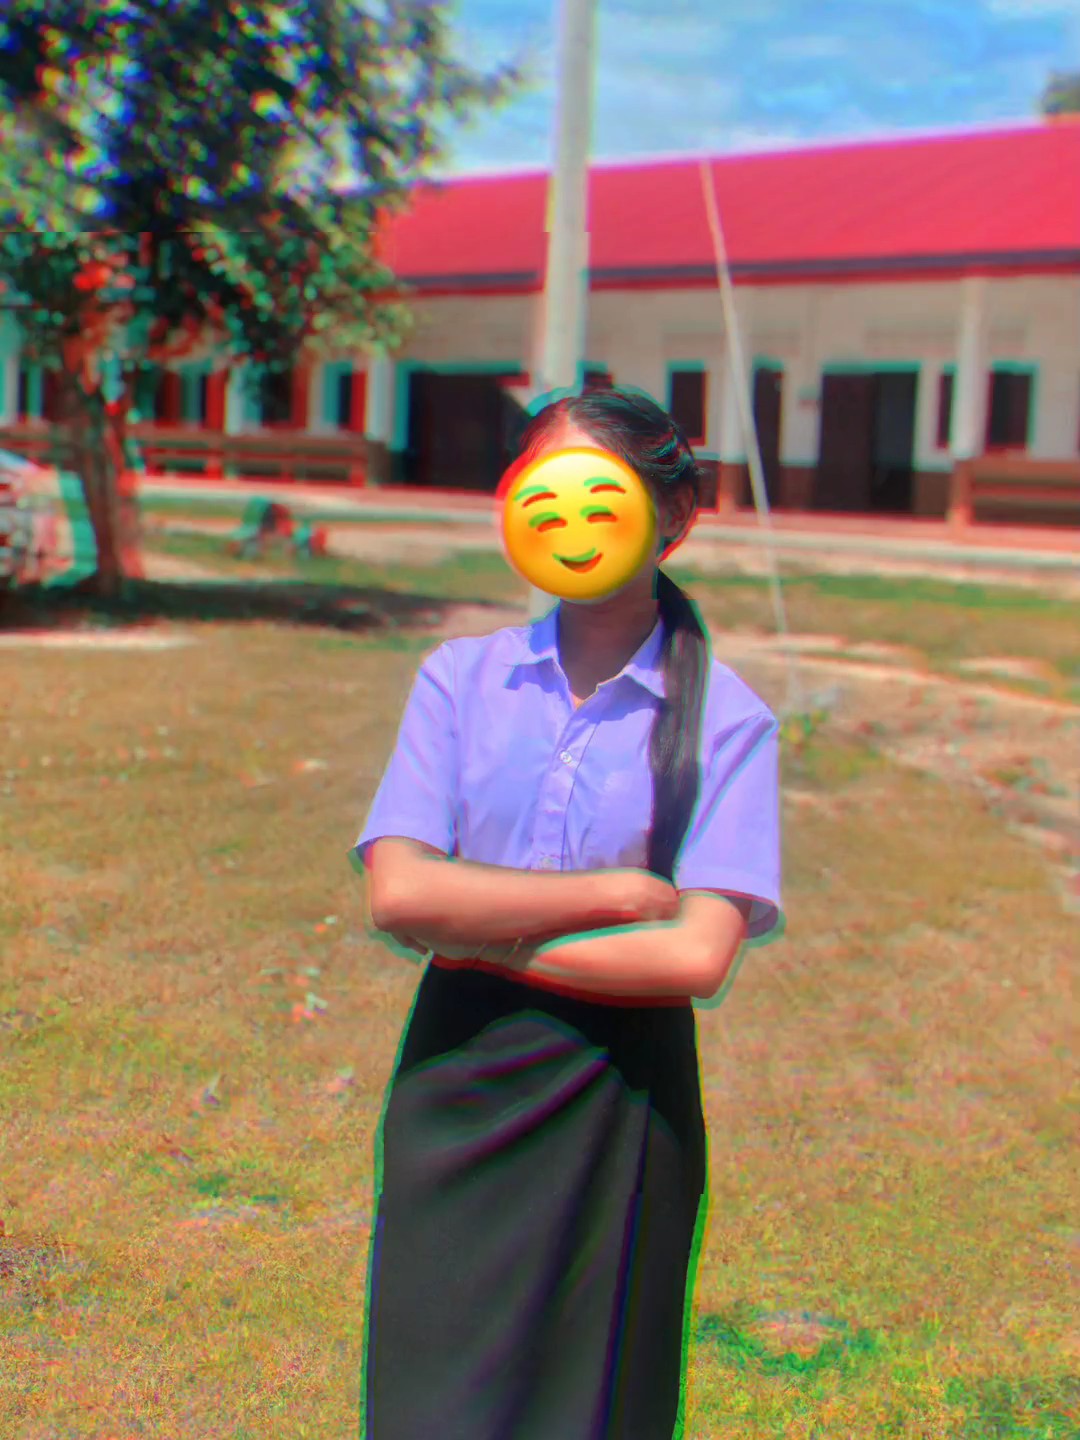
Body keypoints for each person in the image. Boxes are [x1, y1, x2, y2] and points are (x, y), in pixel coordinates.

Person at [351, 386, 783, 1440]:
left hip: (620, 1095)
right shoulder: (460, 679)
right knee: (430, 1397)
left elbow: (695, 959)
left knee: (591, 1402)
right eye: (542, 490)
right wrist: (607, 896)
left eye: (601, 492)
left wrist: (478, 936)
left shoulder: (728, 719)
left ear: (672, 515)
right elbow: (400, 891)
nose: (570, 520)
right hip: (457, 1077)